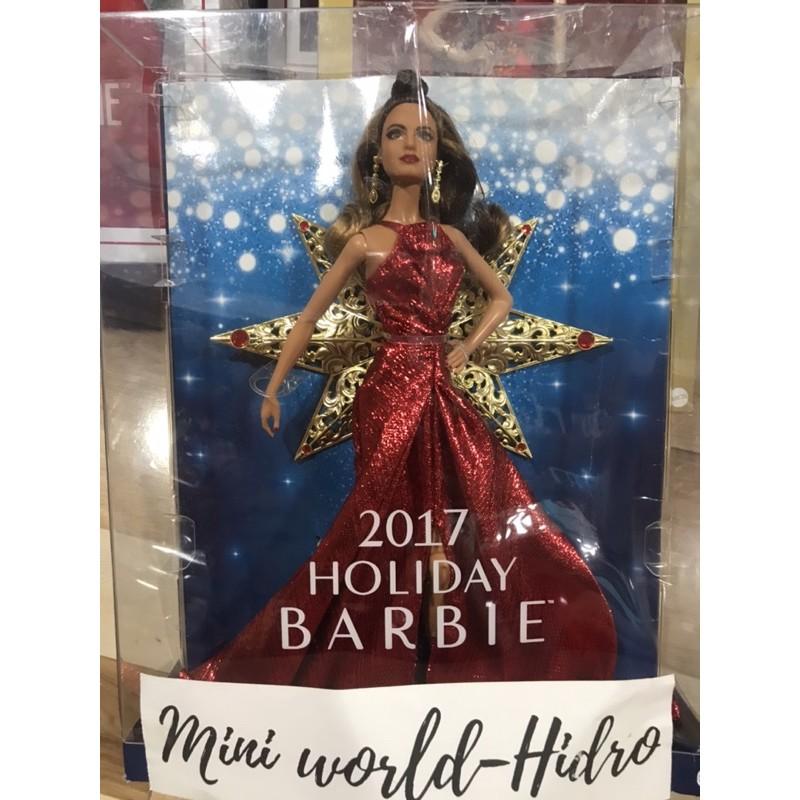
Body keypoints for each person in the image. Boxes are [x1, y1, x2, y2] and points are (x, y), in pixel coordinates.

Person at [183, 71, 617, 687]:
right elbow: (309, 318)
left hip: (441, 384)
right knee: (386, 515)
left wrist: (465, 345)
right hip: (387, 388)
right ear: (377, 155)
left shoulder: (453, 238)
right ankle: (382, 647)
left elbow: (501, 298)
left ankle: (446, 653)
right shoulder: (364, 242)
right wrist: (274, 386)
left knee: (459, 508)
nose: (411, 143)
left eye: (424, 134)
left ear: (440, 154)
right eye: (395, 133)